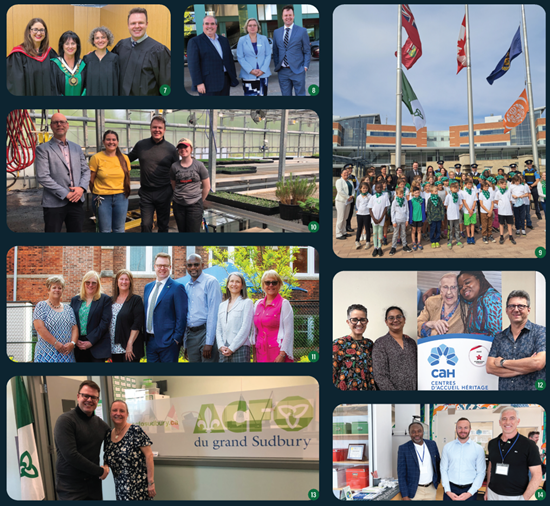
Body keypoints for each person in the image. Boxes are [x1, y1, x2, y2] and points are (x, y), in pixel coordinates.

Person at [54, 380, 110, 500]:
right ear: (78, 396)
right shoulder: (65, 421)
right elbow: (71, 455)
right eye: (86, 395)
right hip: (71, 487)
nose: (89, 400)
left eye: (94, 397)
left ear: (97, 400)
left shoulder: (101, 425)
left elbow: (114, 443)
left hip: (94, 485)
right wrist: (100, 471)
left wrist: (133, 432)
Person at [35, 113, 90, 232]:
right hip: (54, 203)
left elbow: (85, 170)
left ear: (67, 125)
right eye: (55, 122)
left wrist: (81, 188)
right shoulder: (43, 149)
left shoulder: (76, 148)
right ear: (51, 126)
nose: (59, 124)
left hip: (76, 200)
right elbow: (42, 176)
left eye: (62, 122)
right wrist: (66, 193)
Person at [128, 115, 179, 233]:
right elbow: (127, 159)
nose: (157, 130)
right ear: (150, 128)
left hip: (164, 192)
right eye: (154, 127)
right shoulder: (141, 145)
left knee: (163, 225)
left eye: (160, 128)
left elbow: (178, 170)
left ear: (164, 130)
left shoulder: (171, 149)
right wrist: (111, 156)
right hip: (146, 193)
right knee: (145, 225)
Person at [487, 290, 546, 390]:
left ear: (528, 310)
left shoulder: (541, 332)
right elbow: (490, 368)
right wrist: (527, 368)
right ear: (506, 310)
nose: (516, 309)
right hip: (506, 401)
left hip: (532, 401)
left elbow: (538, 363)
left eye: (521, 306)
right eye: (512, 306)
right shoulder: (499, 338)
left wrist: (503, 362)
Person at [112, 7, 171, 96]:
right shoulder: (121, 46)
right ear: (128, 25)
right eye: (133, 23)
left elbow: (166, 85)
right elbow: (108, 63)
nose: (137, 26)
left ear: (146, 24)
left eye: (140, 23)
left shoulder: (159, 51)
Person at [486, 408, 542, 500]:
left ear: (518, 421)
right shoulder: (492, 443)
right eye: (504, 419)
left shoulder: (529, 445)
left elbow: (537, 475)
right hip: (492, 494)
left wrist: (523, 499)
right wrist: (487, 490)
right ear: (500, 422)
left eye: (512, 418)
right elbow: (491, 467)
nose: (508, 422)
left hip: (516, 496)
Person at [104, 400, 155, 500]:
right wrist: (105, 467)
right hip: (120, 489)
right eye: (115, 410)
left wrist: (151, 483)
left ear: (127, 414)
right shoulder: (108, 435)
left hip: (139, 488)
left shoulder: (135, 431)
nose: (118, 413)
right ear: (110, 414)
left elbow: (149, 455)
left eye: (122, 411)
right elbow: (107, 458)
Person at [144, 252, 188, 362]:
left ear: (170, 267)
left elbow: (181, 316)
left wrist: (176, 339)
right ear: (154, 267)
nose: (162, 268)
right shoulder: (148, 287)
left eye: (165, 266)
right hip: (150, 342)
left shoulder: (177, 287)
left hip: (169, 342)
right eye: (159, 265)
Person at [89, 130, 131, 233]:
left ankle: (119, 249)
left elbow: (127, 178)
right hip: (102, 198)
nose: (111, 142)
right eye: (108, 139)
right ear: (103, 142)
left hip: (121, 197)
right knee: (105, 230)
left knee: (119, 229)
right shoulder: (96, 158)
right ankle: (106, 249)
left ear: (117, 142)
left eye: (113, 140)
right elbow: (91, 180)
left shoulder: (125, 158)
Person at [184, 254, 222, 363]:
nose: (193, 268)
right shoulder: (187, 286)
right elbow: (187, 314)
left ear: (202, 265)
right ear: (186, 267)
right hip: (191, 335)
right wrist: (186, 343)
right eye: (189, 265)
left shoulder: (211, 282)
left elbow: (213, 313)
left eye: (196, 264)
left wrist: (209, 342)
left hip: (206, 332)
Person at [187, 15, 238, 96]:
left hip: (225, 81)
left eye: (212, 23)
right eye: (207, 23)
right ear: (203, 25)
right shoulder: (195, 42)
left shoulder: (224, 40)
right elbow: (193, 65)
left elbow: (229, 59)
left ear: (216, 26)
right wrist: (198, 83)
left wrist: (233, 76)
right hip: (207, 83)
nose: (209, 26)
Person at [33, 275, 78, 363]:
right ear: (48, 290)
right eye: (54, 287)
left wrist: (72, 344)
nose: (57, 290)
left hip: (66, 355)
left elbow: (74, 328)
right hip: (46, 354)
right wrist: (56, 343)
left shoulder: (68, 309)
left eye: (59, 288)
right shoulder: (41, 306)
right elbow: (39, 328)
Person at [169, 137, 210, 233]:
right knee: (182, 231)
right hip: (178, 206)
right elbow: (174, 185)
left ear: (191, 149)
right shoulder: (174, 167)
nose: (183, 149)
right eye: (180, 147)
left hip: (194, 206)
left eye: (185, 147)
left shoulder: (199, 165)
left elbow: (207, 187)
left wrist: (199, 201)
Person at [252, 270, 294, 362]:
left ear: (279, 285)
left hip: (277, 352)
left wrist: (282, 354)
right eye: (267, 283)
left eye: (274, 283)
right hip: (260, 352)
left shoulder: (284, 304)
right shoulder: (258, 304)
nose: (271, 285)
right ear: (263, 285)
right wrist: (254, 355)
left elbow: (289, 332)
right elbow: (255, 332)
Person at [7, 18, 57, 95]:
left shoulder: (50, 53)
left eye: (42, 30)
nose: (39, 33)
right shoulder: (18, 55)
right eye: (35, 29)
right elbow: (15, 84)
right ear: (29, 32)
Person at [333, 304, 377, 390]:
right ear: (348, 322)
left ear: (367, 322)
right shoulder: (338, 344)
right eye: (354, 320)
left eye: (362, 320)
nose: (359, 323)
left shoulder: (370, 344)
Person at [71, 271, 112, 363]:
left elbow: (105, 323)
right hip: (78, 346)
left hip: (97, 345)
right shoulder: (75, 300)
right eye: (87, 282)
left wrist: (90, 341)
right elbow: (71, 322)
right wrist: (75, 340)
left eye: (94, 283)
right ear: (83, 284)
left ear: (98, 285)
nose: (90, 285)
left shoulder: (105, 299)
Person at [441, 418, 486, 501]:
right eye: (460, 427)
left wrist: (470, 493)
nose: (463, 430)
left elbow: (481, 472)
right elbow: (443, 470)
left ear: (470, 429)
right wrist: (447, 490)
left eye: (465, 427)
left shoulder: (478, 449)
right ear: (456, 429)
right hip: (450, 489)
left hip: (470, 490)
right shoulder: (447, 447)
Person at [372, 307, 417, 390]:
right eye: (391, 318)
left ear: (404, 319)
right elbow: (380, 376)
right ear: (386, 322)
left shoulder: (411, 343)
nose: (395, 320)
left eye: (399, 317)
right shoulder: (380, 343)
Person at [272, 5, 311, 96]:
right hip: (282, 72)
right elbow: (275, 51)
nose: (288, 17)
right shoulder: (276, 32)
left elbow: (307, 51)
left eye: (290, 15)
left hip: (298, 70)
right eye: (286, 15)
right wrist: (278, 66)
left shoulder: (302, 31)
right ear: (282, 17)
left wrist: (305, 66)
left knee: (300, 96)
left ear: (293, 16)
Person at [216, 272, 254, 363]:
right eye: (231, 281)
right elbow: (218, 329)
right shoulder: (222, 305)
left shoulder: (247, 303)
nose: (234, 284)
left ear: (242, 285)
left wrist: (232, 347)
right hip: (224, 349)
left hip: (240, 348)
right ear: (228, 285)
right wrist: (221, 346)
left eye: (237, 282)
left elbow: (245, 328)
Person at [397, 422, 441, 500]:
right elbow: (401, 474)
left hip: (431, 489)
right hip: (414, 491)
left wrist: (437, 481)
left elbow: (438, 463)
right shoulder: (403, 448)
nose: (416, 434)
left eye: (419, 431)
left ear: (423, 432)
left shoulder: (432, 444)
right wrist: (405, 496)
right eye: (413, 432)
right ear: (409, 433)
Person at [110, 269, 145, 363]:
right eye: (121, 279)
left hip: (130, 348)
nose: (124, 282)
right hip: (113, 348)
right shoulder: (110, 301)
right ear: (117, 281)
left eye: (127, 279)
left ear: (130, 282)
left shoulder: (136, 300)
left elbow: (137, 324)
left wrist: (129, 344)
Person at [417, 273, 464, 337]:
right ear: (440, 290)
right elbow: (417, 325)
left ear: (458, 290)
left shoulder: (466, 307)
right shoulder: (431, 302)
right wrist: (431, 324)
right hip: (429, 344)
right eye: (445, 287)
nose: (449, 292)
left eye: (453, 287)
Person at [457, 271, 502, 338]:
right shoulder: (474, 303)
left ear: (479, 280)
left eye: (467, 282)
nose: (463, 288)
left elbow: (499, 335)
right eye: (460, 287)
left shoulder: (492, 298)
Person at [237, 18, 272, 96]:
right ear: (247, 27)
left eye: (254, 25)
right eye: (250, 25)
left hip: (262, 74)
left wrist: (263, 70)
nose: (252, 27)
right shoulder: (242, 40)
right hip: (248, 75)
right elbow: (240, 57)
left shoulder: (263, 39)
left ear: (258, 27)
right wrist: (251, 70)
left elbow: (268, 54)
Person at [83, 26, 119, 96]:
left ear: (108, 39)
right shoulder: (87, 59)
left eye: (103, 37)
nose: (100, 40)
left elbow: (117, 83)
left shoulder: (114, 58)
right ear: (93, 41)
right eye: (97, 38)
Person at [51, 31, 86, 96]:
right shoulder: (54, 64)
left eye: (73, 43)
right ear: (62, 46)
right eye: (67, 43)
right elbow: (54, 89)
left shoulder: (83, 65)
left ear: (77, 46)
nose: (70, 46)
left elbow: (87, 87)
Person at [369, 182, 390, 257]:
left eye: (380, 187)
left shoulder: (385, 196)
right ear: (375, 189)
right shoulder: (372, 197)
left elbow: (385, 207)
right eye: (377, 188)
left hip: (382, 218)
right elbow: (370, 208)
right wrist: (374, 218)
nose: (379, 189)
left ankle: (379, 247)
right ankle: (375, 248)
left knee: (380, 232)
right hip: (374, 218)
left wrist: (381, 218)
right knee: (375, 232)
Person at [494, 177, 516, 245]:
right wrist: (501, 205)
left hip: (508, 211)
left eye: (505, 184)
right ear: (499, 184)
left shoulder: (508, 191)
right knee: (501, 224)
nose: (504, 185)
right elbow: (496, 201)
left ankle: (510, 236)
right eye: (503, 184)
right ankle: (501, 236)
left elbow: (510, 200)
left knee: (509, 224)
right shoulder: (498, 192)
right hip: (501, 211)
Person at [390, 186, 411, 255]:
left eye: (402, 194)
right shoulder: (394, 202)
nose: (401, 195)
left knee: (403, 233)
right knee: (395, 234)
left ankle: (404, 245)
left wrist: (407, 220)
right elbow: (392, 212)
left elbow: (407, 210)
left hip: (404, 219)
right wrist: (393, 221)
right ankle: (393, 247)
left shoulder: (405, 200)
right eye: (399, 194)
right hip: (397, 220)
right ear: (396, 194)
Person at [335, 167, 353, 240]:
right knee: (340, 218)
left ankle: (344, 232)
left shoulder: (350, 181)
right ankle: (338, 234)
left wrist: (351, 196)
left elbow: (353, 190)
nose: (346, 174)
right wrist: (347, 197)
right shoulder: (339, 181)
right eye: (344, 173)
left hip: (348, 201)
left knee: (345, 218)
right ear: (341, 174)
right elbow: (340, 191)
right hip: (341, 201)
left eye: (347, 173)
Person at [426, 183, 445, 248]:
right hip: (432, 218)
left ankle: (437, 240)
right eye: (435, 191)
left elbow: (442, 208)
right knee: (432, 230)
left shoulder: (439, 199)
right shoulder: (429, 200)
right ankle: (432, 241)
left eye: (437, 191)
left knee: (438, 230)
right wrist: (429, 218)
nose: (437, 192)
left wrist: (442, 217)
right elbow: (428, 210)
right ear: (431, 192)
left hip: (439, 218)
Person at [355, 181, 372, 249]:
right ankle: (357, 241)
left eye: (366, 188)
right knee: (359, 227)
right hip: (360, 214)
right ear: (360, 189)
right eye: (363, 188)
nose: (365, 189)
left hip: (367, 214)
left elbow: (371, 205)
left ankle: (368, 242)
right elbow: (357, 205)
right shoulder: (359, 197)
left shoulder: (370, 196)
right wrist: (358, 211)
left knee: (367, 228)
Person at [408, 186, 426, 251]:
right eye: (415, 193)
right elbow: (410, 210)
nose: (417, 194)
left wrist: (424, 217)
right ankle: (414, 243)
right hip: (413, 218)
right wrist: (410, 219)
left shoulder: (422, 200)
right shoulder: (411, 201)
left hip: (420, 218)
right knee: (413, 231)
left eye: (418, 193)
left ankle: (419, 242)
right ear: (413, 193)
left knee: (419, 231)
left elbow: (423, 209)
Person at [479, 179, 496, 243]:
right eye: (485, 186)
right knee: (484, 224)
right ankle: (484, 236)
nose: (486, 187)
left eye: (487, 186)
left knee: (489, 224)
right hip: (484, 212)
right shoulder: (481, 194)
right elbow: (481, 204)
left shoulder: (490, 194)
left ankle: (490, 235)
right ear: (482, 187)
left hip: (490, 211)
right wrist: (487, 211)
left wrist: (490, 211)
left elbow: (492, 203)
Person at [345, 164, 358, 233]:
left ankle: (348, 226)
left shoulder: (353, 177)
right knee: (345, 213)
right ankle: (344, 226)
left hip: (352, 197)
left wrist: (353, 193)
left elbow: (357, 186)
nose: (350, 170)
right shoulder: (343, 177)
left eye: (351, 168)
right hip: (345, 198)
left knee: (350, 212)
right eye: (348, 168)